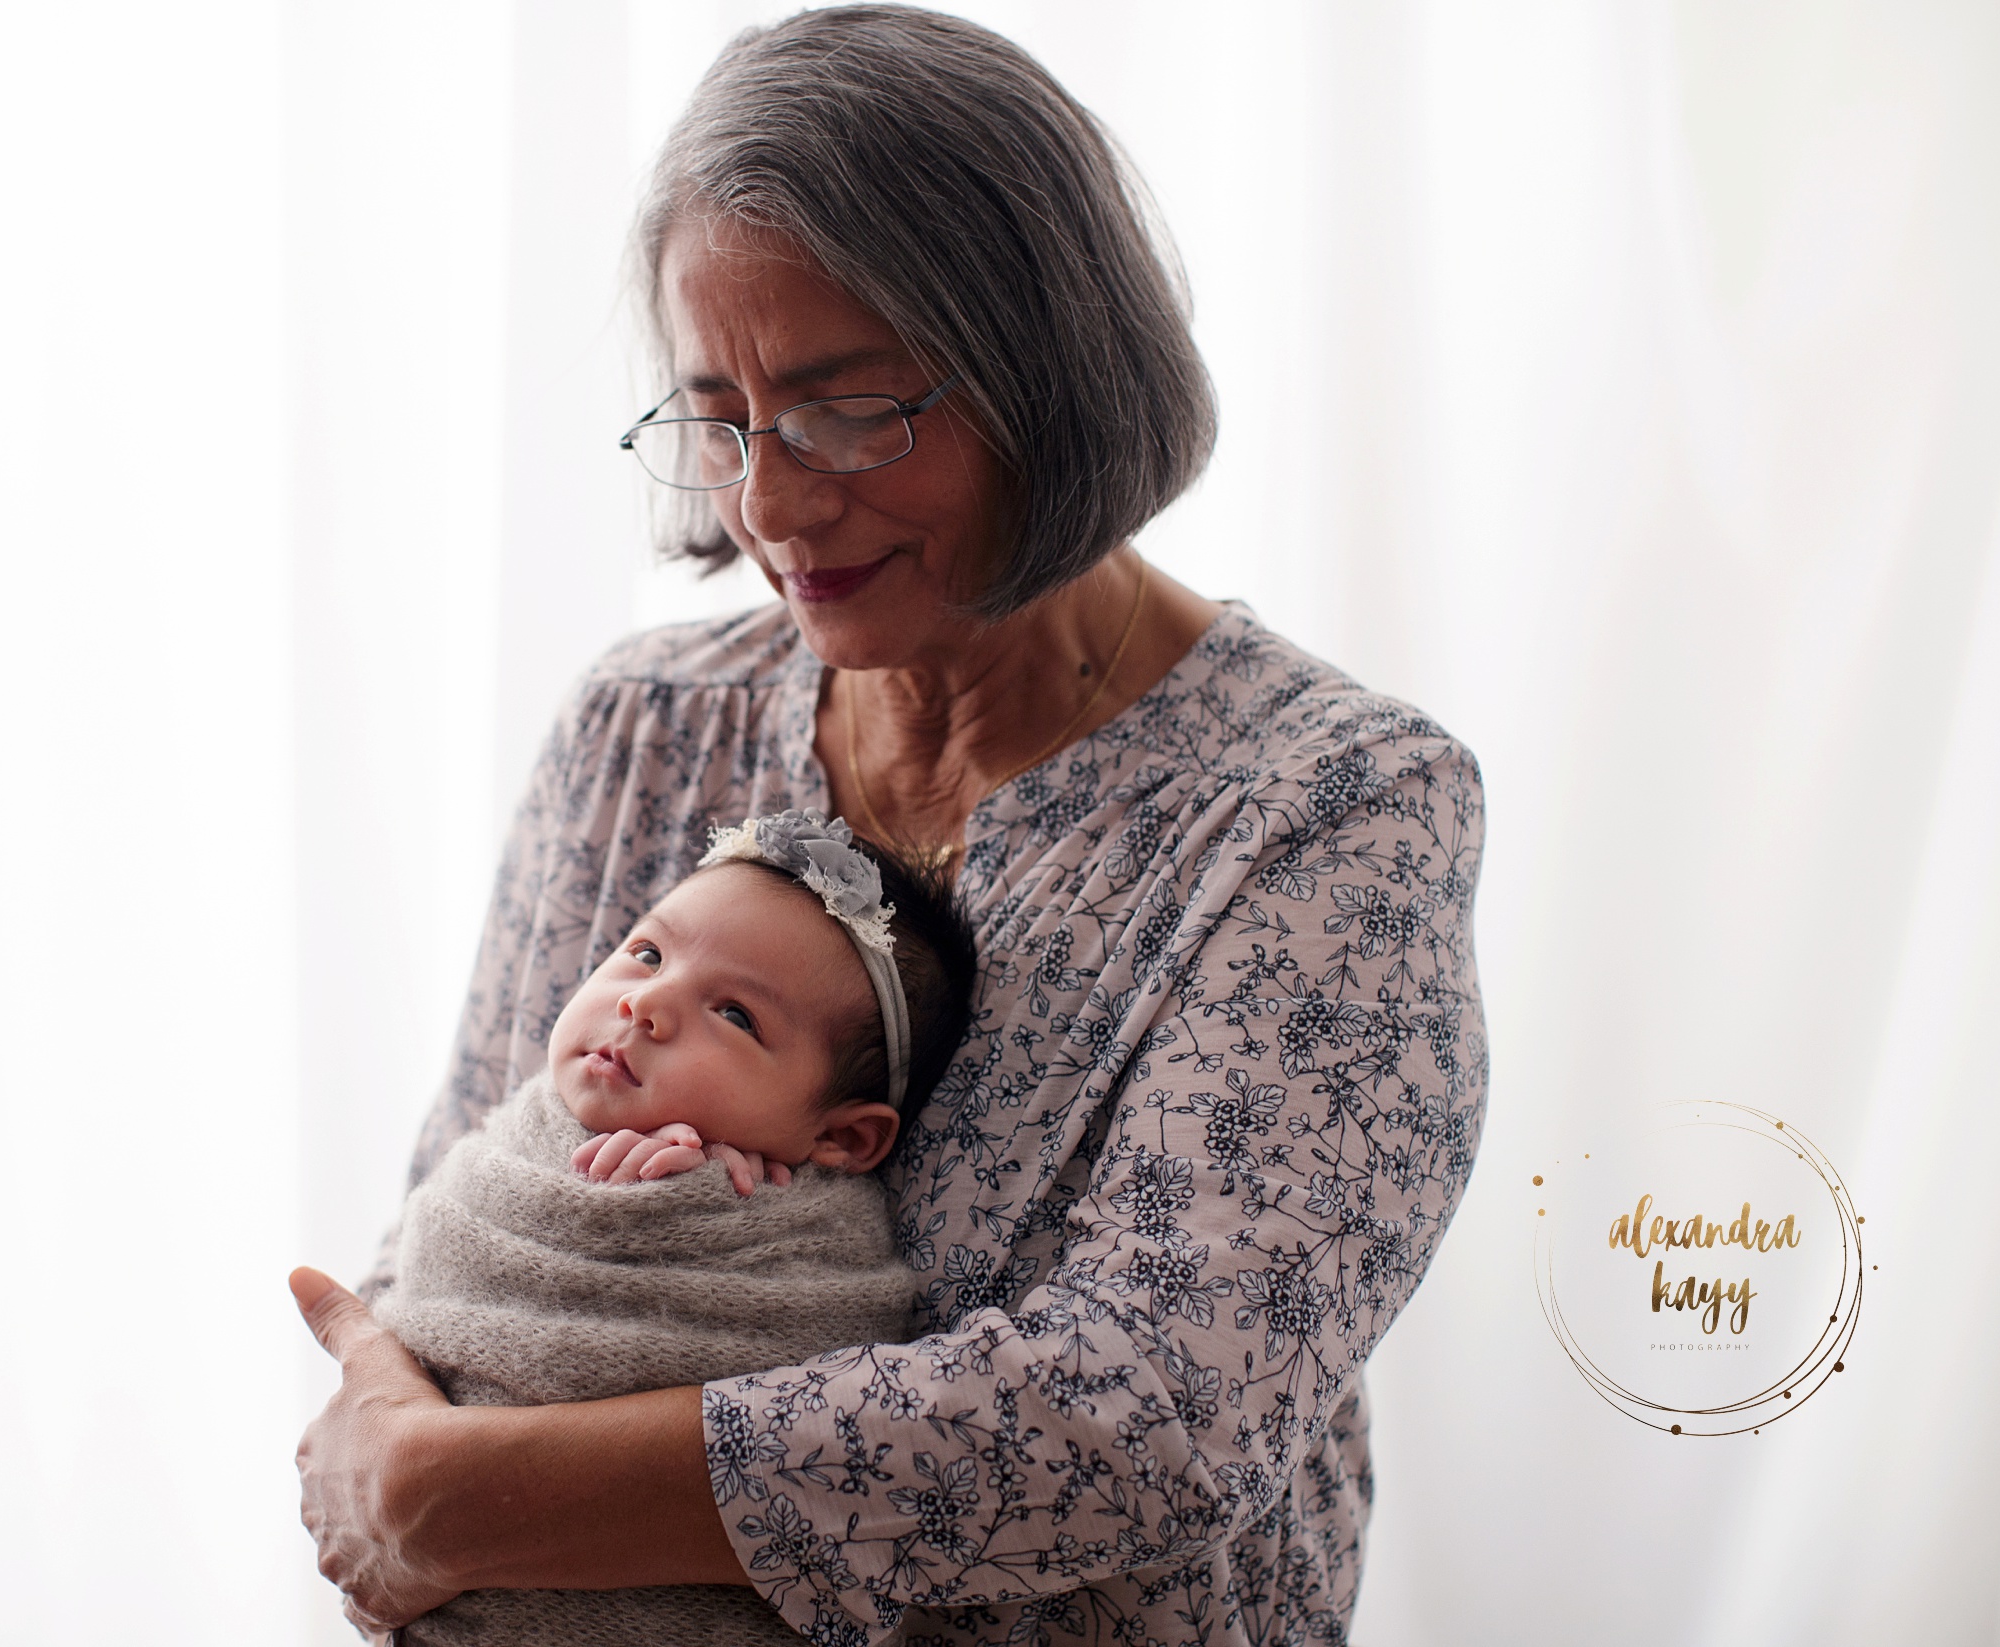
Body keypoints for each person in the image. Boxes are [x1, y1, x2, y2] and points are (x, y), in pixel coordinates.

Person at [291, 7, 1489, 1643]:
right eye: (719, 416)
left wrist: (454, 1497)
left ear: (1043, 368)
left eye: (852, 409)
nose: (772, 503)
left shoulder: (1324, 809)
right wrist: (398, 1435)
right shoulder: (645, 725)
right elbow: (459, 1227)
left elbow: (1148, 1411)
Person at [369, 814, 976, 1644]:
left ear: (839, 1137)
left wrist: (686, 1208)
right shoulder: (521, 1130)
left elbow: (815, 1395)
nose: (645, 1001)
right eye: (648, 953)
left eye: (733, 1014)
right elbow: (434, 1261)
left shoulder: (789, 1238)